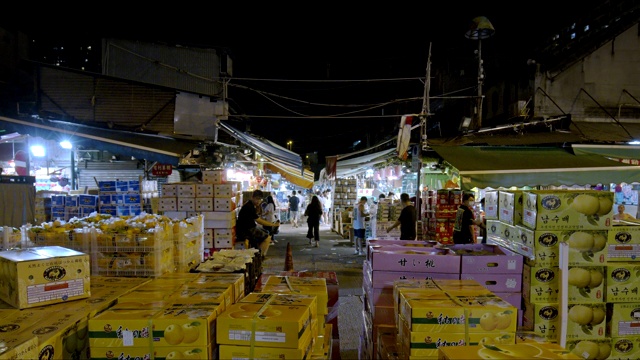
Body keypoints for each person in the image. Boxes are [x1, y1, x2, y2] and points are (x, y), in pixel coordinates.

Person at [236, 189, 280, 259]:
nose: (258, 201)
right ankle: (260, 257)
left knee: (266, 232)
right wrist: (273, 225)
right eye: (257, 199)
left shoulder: (250, 205)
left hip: (249, 228)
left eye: (260, 199)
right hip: (247, 230)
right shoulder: (249, 206)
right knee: (268, 238)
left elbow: (257, 219)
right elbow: (259, 221)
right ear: (252, 197)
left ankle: (258, 253)